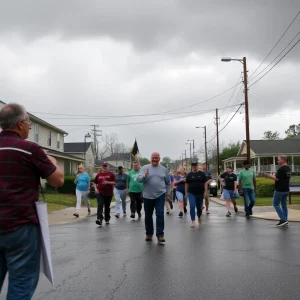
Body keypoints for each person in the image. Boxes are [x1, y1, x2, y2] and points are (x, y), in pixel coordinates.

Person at [0, 103, 64, 299]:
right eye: (29, 123)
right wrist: (52, 161)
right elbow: (58, 180)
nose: (29, 127)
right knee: (21, 284)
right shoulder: (30, 149)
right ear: (20, 124)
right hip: (21, 226)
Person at [137, 152, 171, 244]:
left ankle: (160, 235)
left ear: (159, 159)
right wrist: (145, 175)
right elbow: (138, 179)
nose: (154, 159)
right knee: (148, 216)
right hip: (147, 195)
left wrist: (167, 193)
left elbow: (168, 182)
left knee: (160, 214)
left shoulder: (164, 169)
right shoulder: (145, 168)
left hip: (160, 195)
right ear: (150, 158)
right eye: (153, 158)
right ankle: (149, 234)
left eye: (156, 158)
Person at [265, 155, 291, 227]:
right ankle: (285, 220)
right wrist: (274, 175)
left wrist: (269, 175)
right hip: (286, 189)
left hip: (279, 189)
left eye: (278, 160)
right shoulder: (288, 168)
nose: (277, 161)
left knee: (275, 204)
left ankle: (283, 219)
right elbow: (282, 177)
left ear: (283, 160)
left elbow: (277, 179)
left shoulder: (281, 169)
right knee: (284, 205)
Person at [185, 162, 208, 228]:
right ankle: (193, 221)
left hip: (200, 193)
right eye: (193, 166)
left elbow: (205, 183)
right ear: (192, 167)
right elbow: (186, 183)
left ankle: (199, 216)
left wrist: (205, 191)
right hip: (191, 193)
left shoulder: (201, 174)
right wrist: (186, 192)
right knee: (192, 206)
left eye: (195, 166)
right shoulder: (189, 174)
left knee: (199, 207)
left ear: (197, 166)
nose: (194, 167)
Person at [94, 162, 116, 226]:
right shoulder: (98, 174)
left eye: (106, 166)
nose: (104, 167)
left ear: (108, 167)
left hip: (108, 193)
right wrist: (95, 189)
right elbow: (95, 182)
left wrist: (107, 182)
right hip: (100, 192)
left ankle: (107, 218)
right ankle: (99, 219)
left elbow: (114, 182)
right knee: (100, 205)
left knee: (107, 206)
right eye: (103, 166)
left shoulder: (111, 174)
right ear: (101, 167)